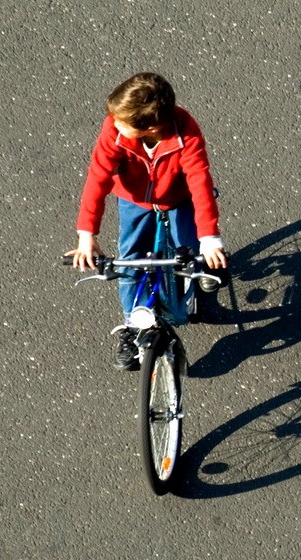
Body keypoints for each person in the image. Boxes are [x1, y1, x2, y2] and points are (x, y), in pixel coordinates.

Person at [67, 72, 228, 370]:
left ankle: (206, 265)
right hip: (134, 200)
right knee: (130, 260)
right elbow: (98, 178)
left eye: (122, 124)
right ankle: (132, 326)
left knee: (188, 250)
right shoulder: (115, 128)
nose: (113, 125)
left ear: (151, 127)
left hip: (178, 198)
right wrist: (86, 233)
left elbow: (199, 181)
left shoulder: (186, 132)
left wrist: (209, 237)